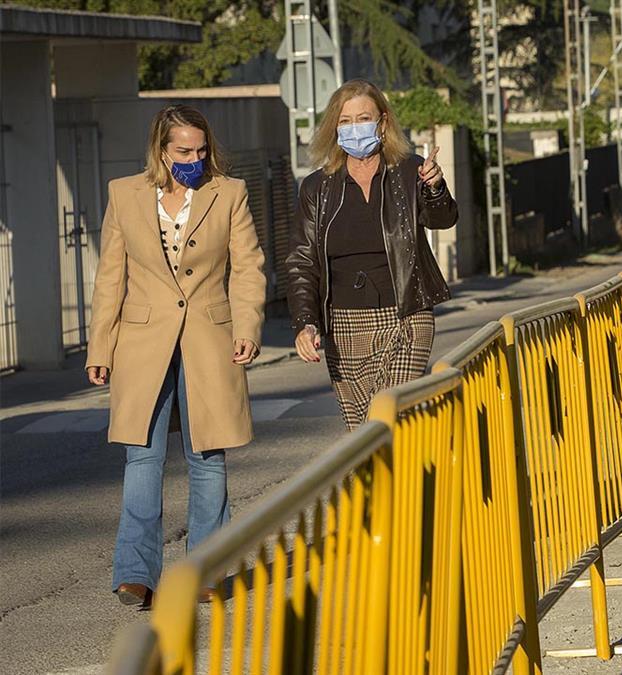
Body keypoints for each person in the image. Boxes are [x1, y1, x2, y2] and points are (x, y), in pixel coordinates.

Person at [86, 105, 266, 607]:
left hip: (209, 339)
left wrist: (247, 325)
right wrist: (99, 345)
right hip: (142, 343)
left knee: (207, 455)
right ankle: (136, 573)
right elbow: (110, 277)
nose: (194, 158)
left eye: (201, 150)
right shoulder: (124, 195)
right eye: (184, 151)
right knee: (141, 456)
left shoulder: (229, 193)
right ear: (161, 150)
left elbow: (248, 267)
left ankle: (205, 569)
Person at [287, 79, 458, 430]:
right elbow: (302, 260)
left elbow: (443, 219)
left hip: (406, 316)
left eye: (363, 118)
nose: (355, 128)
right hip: (344, 327)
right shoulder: (316, 188)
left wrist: (436, 189)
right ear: (334, 128)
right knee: (361, 437)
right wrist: (306, 322)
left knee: (388, 418)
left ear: (382, 122)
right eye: (345, 121)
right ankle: (402, 484)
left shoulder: (411, 171)